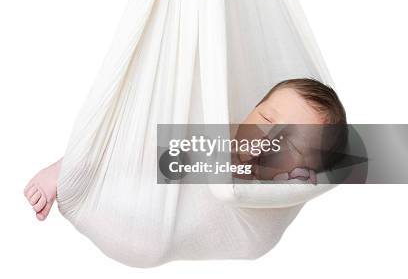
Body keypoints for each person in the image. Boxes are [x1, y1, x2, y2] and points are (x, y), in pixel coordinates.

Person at [24, 77, 347, 221]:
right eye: (265, 117)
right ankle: (63, 168)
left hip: (175, 211)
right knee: (140, 143)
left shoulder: (285, 183)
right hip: (154, 176)